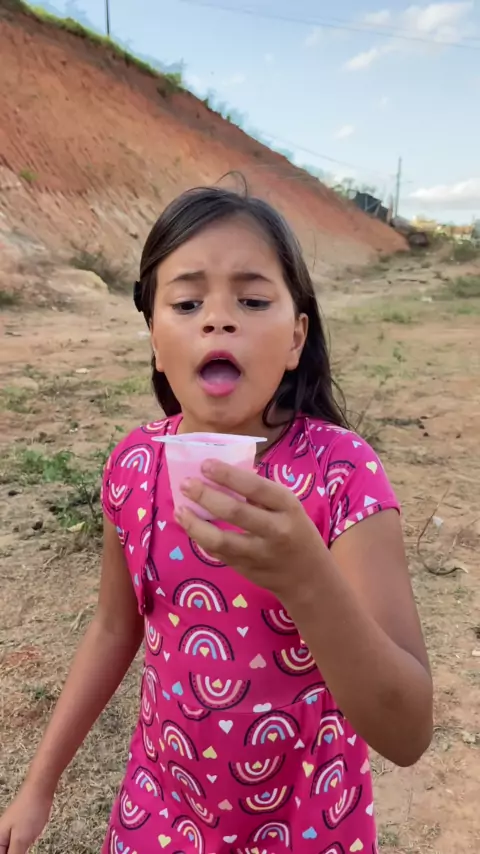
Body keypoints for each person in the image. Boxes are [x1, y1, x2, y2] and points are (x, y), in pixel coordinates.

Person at [0, 186, 433, 854]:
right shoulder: (134, 466)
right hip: (160, 813)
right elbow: (114, 627)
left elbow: (407, 733)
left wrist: (307, 579)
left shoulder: (342, 474)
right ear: (155, 340)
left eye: (252, 301)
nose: (218, 321)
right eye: (187, 303)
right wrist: (40, 783)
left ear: (296, 338)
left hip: (307, 821)